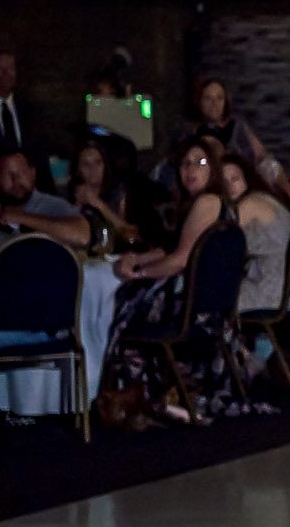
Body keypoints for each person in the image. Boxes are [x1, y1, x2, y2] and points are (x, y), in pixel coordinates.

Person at [104, 139, 247, 423]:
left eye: (201, 162)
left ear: (213, 171)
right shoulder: (214, 206)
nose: (191, 169)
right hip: (210, 308)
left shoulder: (208, 202)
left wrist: (138, 273)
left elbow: (179, 260)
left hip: (193, 309)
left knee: (123, 300)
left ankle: (129, 393)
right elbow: (171, 249)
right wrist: (139, 259)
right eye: (185, 163)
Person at [178, 78, 290, 209]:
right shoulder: (193, 132)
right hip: (218, 186)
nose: (214, 104)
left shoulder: (238, 126)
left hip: (248, 180)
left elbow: (262, 156)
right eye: (208, 98)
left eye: (219, 98)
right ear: (199, 102)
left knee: (268, 166)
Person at [218, 153, 290, 316]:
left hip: (270, 291)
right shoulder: (264, 198)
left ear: (247, 177)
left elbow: (219, 241)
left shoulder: (250, 204)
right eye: (223, 182)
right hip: (288, 291)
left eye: (235, 179)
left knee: (207, 295)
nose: (229, 186)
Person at [0, 150, 88, 260]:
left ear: (32, 173)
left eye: (22, 172)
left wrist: (20, 217)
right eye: (7, 174)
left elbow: (82, 236)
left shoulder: (53, 205)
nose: (16, 179)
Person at [0, 49, 41, 200]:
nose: (6, 73)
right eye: (0, 68)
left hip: (27, 196)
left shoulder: (28, 109)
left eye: (11, 68)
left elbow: (39, 153)